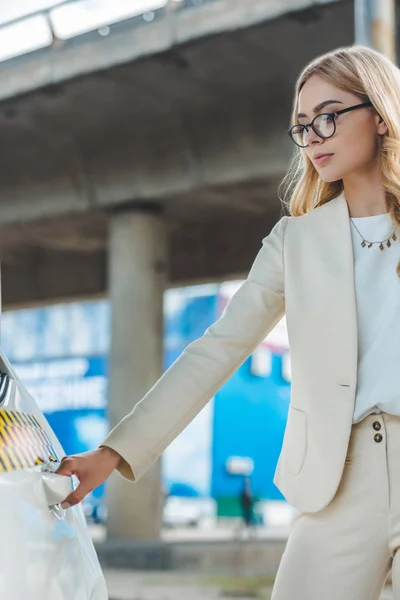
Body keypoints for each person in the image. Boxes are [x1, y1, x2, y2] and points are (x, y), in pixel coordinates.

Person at [56, 44, 400, 598]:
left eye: (329, 117)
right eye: (303, 125)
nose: (313, 136)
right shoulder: (296, 242)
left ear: (381, 116)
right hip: (339, 482)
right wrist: (115, 452)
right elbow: (217, 349)